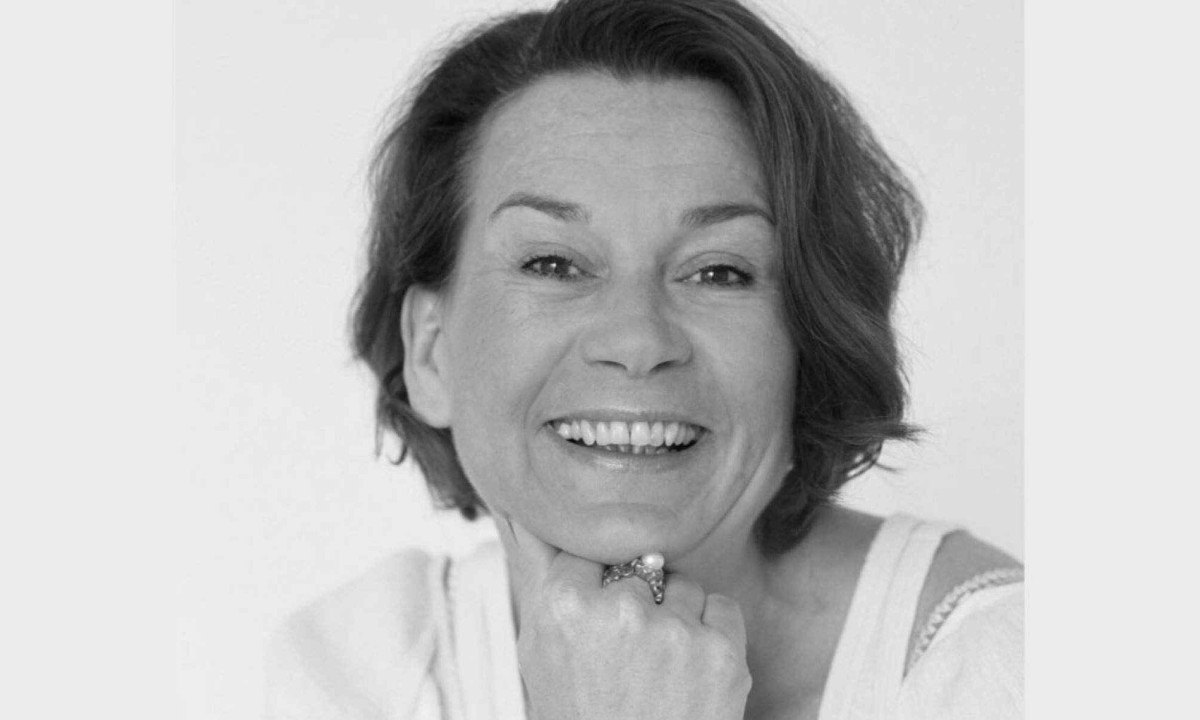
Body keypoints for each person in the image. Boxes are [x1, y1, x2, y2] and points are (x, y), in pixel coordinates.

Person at [266, 0, 1023, 718]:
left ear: (809, 345)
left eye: (718, 271)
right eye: (553, 264)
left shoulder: (1006, 668)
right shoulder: (358, 674)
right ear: (430, 350)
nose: (637, 341)